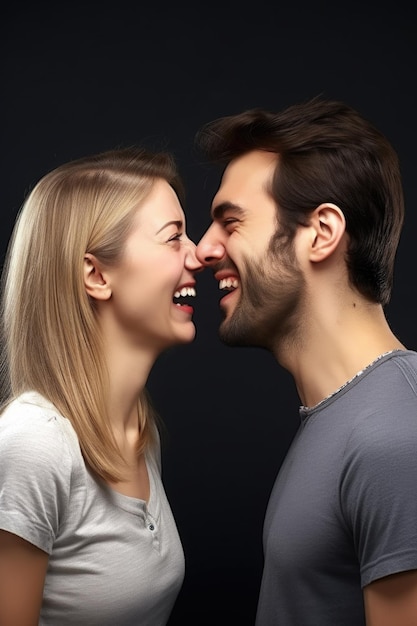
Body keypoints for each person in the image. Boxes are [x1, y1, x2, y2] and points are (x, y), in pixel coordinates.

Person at [194, 97, 417, 625]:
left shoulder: (395, 437)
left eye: (230, 222)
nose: (204, 249)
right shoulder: (344, 417)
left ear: (321, 233)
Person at [0, 146, 202, 625]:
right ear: (96, 274)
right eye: (174, 238)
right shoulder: (34, 445)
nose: (200, 254)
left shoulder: (139, 430)